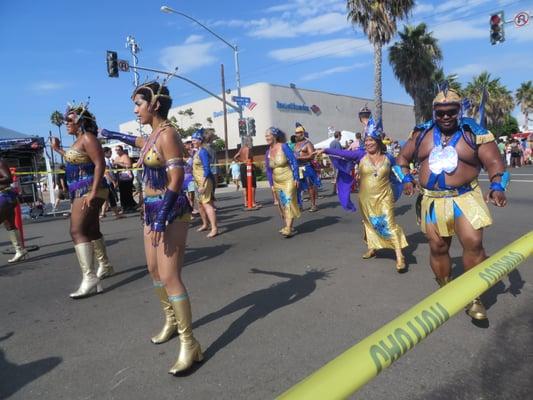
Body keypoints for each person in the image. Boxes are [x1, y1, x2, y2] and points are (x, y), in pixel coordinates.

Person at [102, 80, 203, 374]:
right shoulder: (152, 135)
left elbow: (176, 179)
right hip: (151, 209)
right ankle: (171, 321)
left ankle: (190, 343)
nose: (135, 110)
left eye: (138, 104)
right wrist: (111, 134)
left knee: (170, 276)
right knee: (153, 269)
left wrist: (162, 218)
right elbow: (137, 143)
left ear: (155, 105)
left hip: (170, 212)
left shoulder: (168, 134)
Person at [396, 88, 509, 320]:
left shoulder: (474, 133)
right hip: (432, 201)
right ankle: (446, 288)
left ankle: (473, 296)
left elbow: (496, 165)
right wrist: (406, 179)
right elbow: (401, 160)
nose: (445, 116)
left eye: (451, 111)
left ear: (459, 111)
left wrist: (497, 187)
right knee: (438, 247)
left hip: (465, 198)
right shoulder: (421, 134)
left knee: (474, 243)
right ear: (434, 112)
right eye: (440, 112)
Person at [320, 116, 408, 272]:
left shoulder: (389, 158)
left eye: (370, 140)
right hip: (366, 198)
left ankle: (399, 255)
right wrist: (326, 150)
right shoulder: (360, 155)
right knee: (368, 222)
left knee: (389, 224)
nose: (367, 143)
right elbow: (342, 154)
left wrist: (408, 181)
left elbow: (398, 171)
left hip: (384, 196)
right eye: (366, 141)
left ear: (378, 141)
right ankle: (372, 247)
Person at [51, 102, 113, 297]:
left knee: (77, 230)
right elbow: (75, 160)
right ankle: (105, 265)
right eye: (65, 120)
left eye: (69, 120)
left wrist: (93, 191)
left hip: (88, 189)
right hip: (84, 189)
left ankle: (90, 277)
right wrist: (58, 150)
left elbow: (99, 164)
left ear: (80, 121)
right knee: (92, 229)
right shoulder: (79, 140)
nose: (66, 123)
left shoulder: (88, 137)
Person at [265, 127, 301, 238]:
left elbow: (294, 161)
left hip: (288, 178)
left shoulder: (284, 146)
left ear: (274, 136)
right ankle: (288, 225)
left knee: (288, 201)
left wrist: (296, 178)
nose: (266, 138)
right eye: (265, 136)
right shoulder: (268, 151)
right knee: (282, 203)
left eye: (268, 135)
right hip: (277, 181)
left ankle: (288, 228)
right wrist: (271, 184)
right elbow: (268, 170)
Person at [191, 128, 218, 238]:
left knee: (208, 204)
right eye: (192, 140)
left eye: (194, 139)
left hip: (204, 181)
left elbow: (207, 170)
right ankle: (205, 224)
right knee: (200, 204)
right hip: (197, 181)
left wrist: (202, 185)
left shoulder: (203, 152)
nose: (192, 141)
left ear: (200, 140)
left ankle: (214, 228)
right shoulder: (197, 151)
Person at [0, 160, 28, 263]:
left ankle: (20, 250)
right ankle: (19, 250)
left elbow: (8, 178)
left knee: (10, 225)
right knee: (10, 225)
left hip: (5, 195)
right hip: (7, 197)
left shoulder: (0, 163)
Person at [293, 122, 321, 211]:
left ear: (303, 133)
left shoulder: (308, 143)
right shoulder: (295, 144)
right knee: (298, 187)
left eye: (300, 133)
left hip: (307, 167)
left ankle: (313, 205)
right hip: (298, 167)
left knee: (310, 186)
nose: (298, 134)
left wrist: (299, 157)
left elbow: (311, 155)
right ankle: (300, 205)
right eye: (296, 133)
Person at [233, 137, 259, 208]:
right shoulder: (248, 149)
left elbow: (235, 157)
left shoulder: (241, 149)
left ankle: (246, 202)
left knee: (245, 186)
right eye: (251, 141)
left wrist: (241, 160)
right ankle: (253, 202)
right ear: (249, 141)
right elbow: (248, 158)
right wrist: (247, 162)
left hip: (242, 167)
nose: (252, 142)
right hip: (248, 167)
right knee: (253, 185)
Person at [100, 147, 124, 219]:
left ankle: (103, 213)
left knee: (106, 198)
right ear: (105, 153)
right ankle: (116, 214)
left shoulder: (106, 160)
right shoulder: (105, 161)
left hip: (106, 181)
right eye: (110, 152)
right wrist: (113, 181)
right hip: (107, 182)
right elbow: (106, 172)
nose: (111, 154)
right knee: (111, 197)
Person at [113, 145, 137, 213]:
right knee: (122, 192)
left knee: (127, 192)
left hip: (127, 177)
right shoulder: (117, 157)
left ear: (122, 150)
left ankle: (130, 206)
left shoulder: (125, 156)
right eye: (116, 150)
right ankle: (125, 206)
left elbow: (129, 165)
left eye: (118, 149)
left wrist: (119, 163)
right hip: (120, 177)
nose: (117, 151)